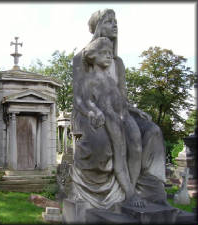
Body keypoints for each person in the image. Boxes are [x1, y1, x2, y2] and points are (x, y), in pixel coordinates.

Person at [70, 9, 167, 211]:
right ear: (97, 26)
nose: (115, 25)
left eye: (116, 21)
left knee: (152, 131)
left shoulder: (118, 63)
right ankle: (125, 193)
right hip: (91, 113)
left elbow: (121, 96)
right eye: (109, 21)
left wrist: (134, 109)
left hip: (120, 111)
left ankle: (141, 191)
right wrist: (92, 112)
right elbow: (80, 97)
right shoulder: (82, 58)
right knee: (108, 142)